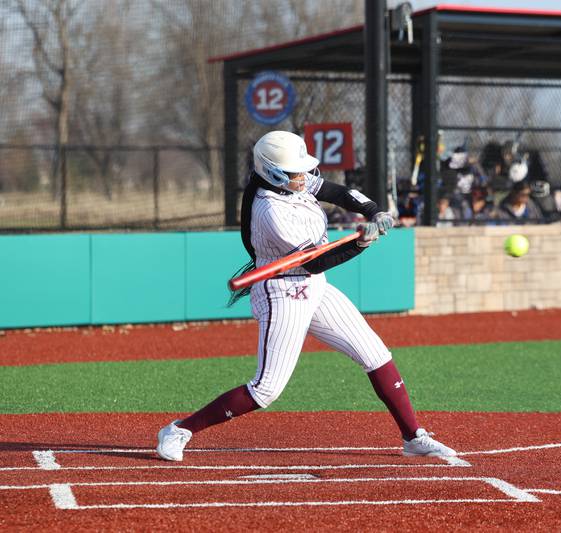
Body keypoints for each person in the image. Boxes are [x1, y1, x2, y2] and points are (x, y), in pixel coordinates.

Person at [156, 131, 455, 461]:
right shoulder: (270, 211)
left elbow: (335, 191)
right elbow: (315, 262)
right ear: (273, 172)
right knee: (266, 389)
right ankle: (180, 429)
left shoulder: (289, 180)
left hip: (314, 286)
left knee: (375, 355)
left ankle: (412, 436)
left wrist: (372, 210)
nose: (304, 177)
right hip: (282, 290)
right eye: (295, 172)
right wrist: (361, 243)